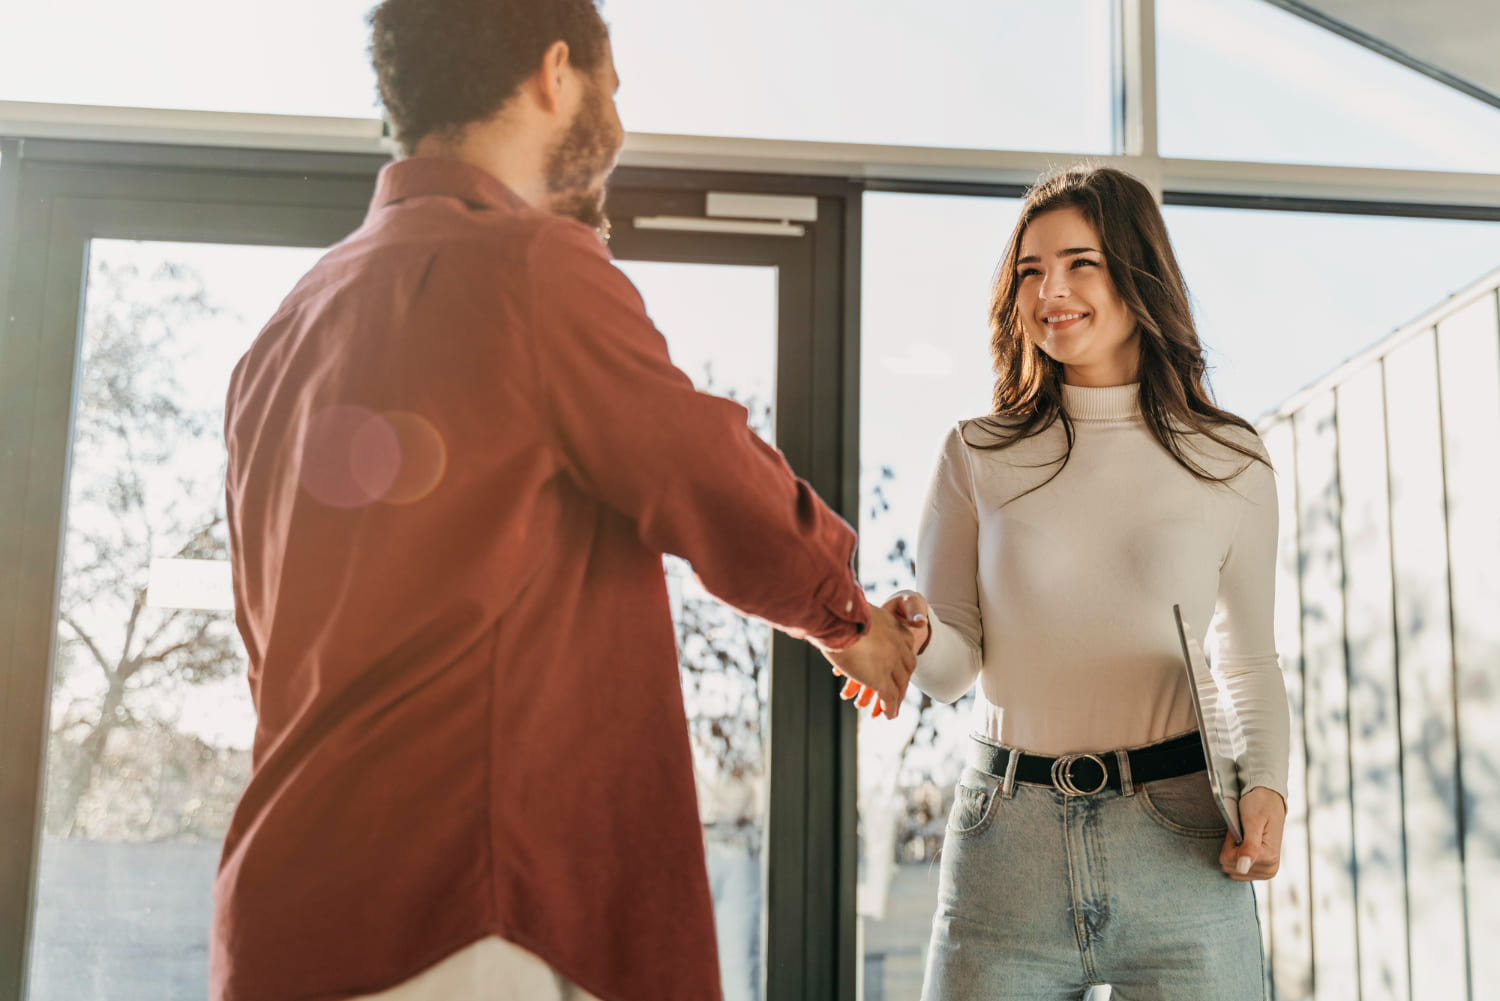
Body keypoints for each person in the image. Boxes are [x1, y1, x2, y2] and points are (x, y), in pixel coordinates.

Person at [211, 2, 918, 999]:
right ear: (555, 73)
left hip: (285, 915)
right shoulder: (529, 263)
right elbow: (707, 473)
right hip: (464, 912)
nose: (618, 125)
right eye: (611, 89)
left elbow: (268, 649)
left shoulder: (283, 333)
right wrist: (850, 620)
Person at [850, 165, 1291, 1000]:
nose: (1049, 289)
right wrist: (913, 634)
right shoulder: (976, 453)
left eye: (1079, 263)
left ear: (1137, 273)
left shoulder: (1229, 458)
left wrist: (1267, 784)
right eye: (1029, 270)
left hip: (1184, 841)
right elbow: (951, 668)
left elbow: (1248, 660)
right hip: (1005, 849)